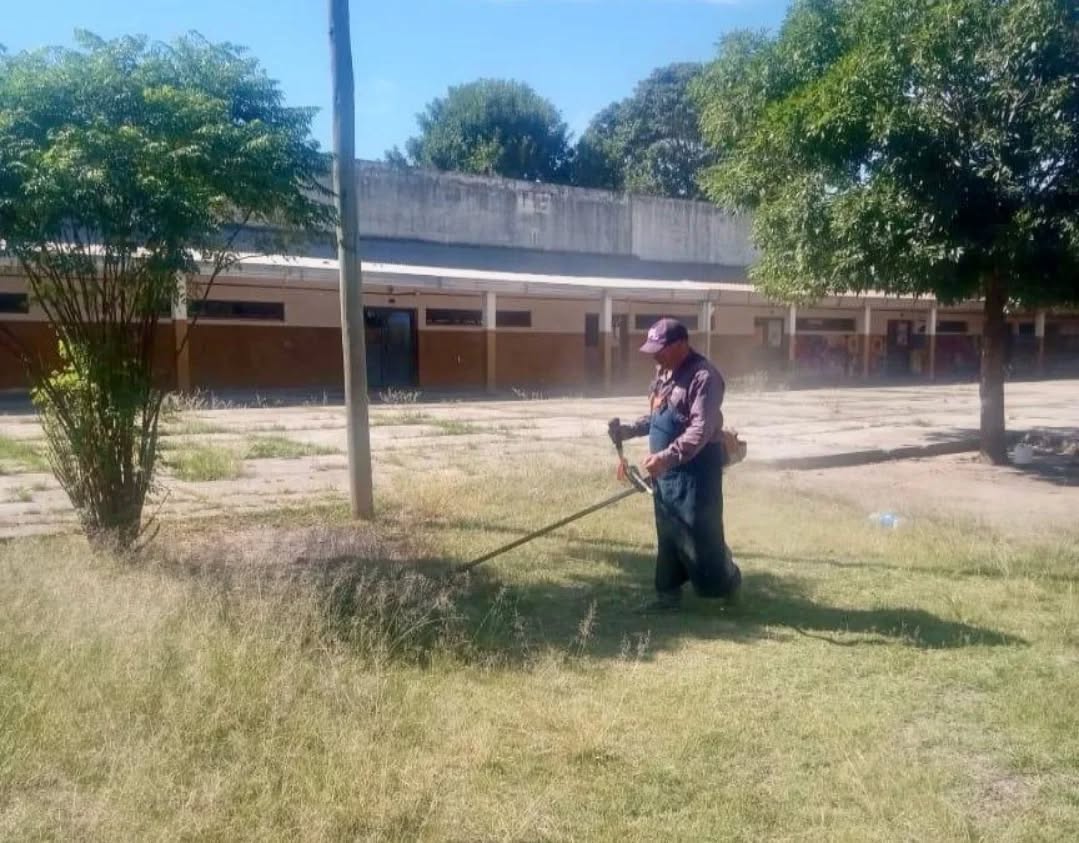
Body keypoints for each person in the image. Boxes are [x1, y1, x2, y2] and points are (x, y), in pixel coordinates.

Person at [610, 317, 741, 612]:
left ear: (681, 344)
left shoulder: (704, 377)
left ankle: (729, 580)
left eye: (661, 349)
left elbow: (700, 429)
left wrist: (666, 456)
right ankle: (667, 596)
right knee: (668, 533)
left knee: (700, 535)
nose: (655, 356)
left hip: (697, 472)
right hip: (665, 473)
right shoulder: (663, 374)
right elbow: (658, 416)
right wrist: (629, 430)